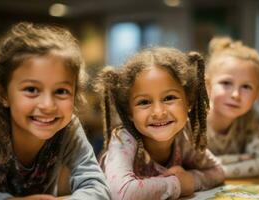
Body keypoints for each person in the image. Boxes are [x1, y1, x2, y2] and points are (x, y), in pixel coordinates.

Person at [0, 22, 110, 200]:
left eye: (61, 91)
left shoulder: (69, 126)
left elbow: (98, 189)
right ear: (3, 94)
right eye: (31, 90)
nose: (48, 105)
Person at [96, 47, 225, 199]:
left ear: (188, 102)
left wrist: (191, 179)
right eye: (144, 102)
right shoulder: (123, 140)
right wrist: (178, 184)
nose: (158, 112)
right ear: (129, 112)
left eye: (169, 98)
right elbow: (123, 193)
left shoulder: (184, 135)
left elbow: (218, 171)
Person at [205, 37, 259, 178]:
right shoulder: (194, 122)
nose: (236, 95)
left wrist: (215, 170)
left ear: (257, 94)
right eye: (226, 83)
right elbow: (190, 167)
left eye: (246, 87)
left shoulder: (247, 120)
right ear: (208, 86)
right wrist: (241, 158)